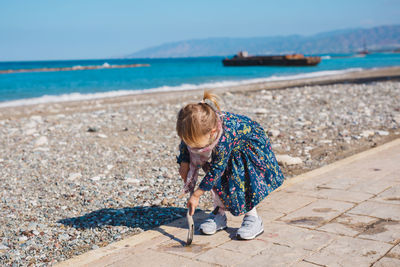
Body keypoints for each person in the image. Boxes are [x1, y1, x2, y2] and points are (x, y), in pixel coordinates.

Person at [176, 91, 284, 240]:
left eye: (196, 145)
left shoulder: (225, 136)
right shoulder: (196, 129)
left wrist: (196, 195)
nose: (192, 147)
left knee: (239, 179)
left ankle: (252, 217)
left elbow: (216, 170)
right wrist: (184, 162)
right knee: (219, 177)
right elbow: (185, 143)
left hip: (248, 148)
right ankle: (219, 214)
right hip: (226, 148)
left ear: (212, 132)